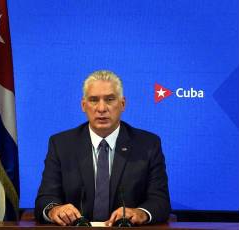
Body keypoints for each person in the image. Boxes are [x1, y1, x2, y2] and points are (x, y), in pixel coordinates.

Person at [34, 70, 171, 226]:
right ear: (83, 105)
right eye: (93, 100)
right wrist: (55, 210)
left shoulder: (147, 144)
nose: (101, 108)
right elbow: (45, 199)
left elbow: (160, 201)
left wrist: (140, 213)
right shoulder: (61, 144)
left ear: (123, 104)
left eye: (110, 99)